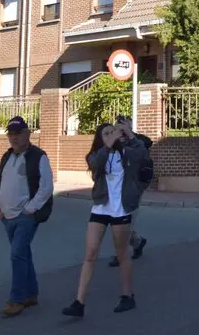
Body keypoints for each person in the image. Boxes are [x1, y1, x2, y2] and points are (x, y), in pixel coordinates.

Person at [62, 121, 152, 317]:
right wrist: (107, 145)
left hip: (120, 210)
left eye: (113, 132)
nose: (111, 135)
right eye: (106, 133)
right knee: (90, 254)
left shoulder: (126, 153)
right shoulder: (95, 155)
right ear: (99, 139)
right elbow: (96, 167)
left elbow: (143, 154)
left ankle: (128, 296)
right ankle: (79, 302)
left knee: (122, 255)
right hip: (101, 208)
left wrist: (130, 135)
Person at [0, 116, 53, 318]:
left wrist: (31, 208)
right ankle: (31, 293)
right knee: (23, 254)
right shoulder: (6, 157)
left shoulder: (38, 156)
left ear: (28, 134)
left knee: (17, 254)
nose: (14, 138)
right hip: (6, 216)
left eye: (18, 133)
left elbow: (46, 187)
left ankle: (16, 299)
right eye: (11, 134)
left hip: (25, 216)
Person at [108, 115, 152, 267]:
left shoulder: (140, 142)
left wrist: (130, 133)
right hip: (116, 189)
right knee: (121, 224)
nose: (119, 128)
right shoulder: (115, 142)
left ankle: (119, 255)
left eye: (122, 125)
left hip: (132, 190)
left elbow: (143, 150)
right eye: (118, 125)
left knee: (125, 224)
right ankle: (138, 243)